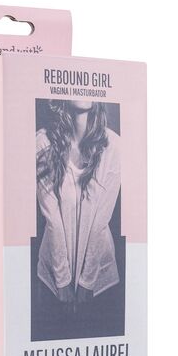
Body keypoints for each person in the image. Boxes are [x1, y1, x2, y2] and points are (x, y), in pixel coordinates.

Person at [36, 100, 121, 312]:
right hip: (52, 277)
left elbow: (101, 220)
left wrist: (87, 281)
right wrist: (62, 280)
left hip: (99, 277)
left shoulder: (113, 145)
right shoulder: (43, 142)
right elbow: (52, 218)